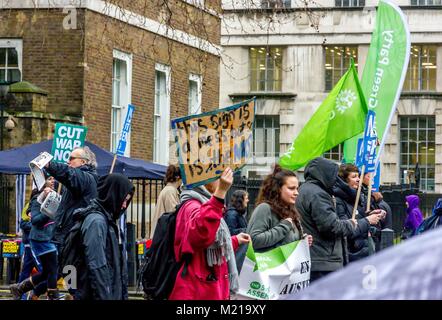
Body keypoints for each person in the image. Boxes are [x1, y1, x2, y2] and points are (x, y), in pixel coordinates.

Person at [295, 157, 383, 282]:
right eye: (333, 174)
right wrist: (353, 223)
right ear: (324, 173)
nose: (335, 178)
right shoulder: (318, 194)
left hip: (316, 258)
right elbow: (331, 227)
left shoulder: (306, 189)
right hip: (323, 261)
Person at [169, 167, 251, 300]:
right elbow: (201, 235)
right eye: (217, 176)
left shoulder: (205, 202)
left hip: (208, 288)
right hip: (197, 291)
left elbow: (214, 240)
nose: (221, 180)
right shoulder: (191, 205)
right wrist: (221, 193)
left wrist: (234, 240)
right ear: (203, 180)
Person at [72, 173, 134, 300]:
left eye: (127, 201)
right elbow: (97, 266)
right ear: (113, 195)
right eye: (124, 200)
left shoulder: (108, 221)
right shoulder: (97, 222)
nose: (124, 205)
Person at [44, 147, 98, 264]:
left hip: (74, 239)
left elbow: (69, 174)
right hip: (67, 237)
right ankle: (31, 282)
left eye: (72, 158)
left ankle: (31, 282)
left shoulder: (86, 177)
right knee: (60, 274)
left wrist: (50, 165)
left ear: (83, 162)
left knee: (71, 277)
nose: (68, 161)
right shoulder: (80, 179)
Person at [10, 177, 61, 300]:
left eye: (53, 182)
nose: (52, 184)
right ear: (42, 187)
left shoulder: (55, 197)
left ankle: (20, 288)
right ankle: (49, 296)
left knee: (48, 271)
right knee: (53, 270)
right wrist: (50, 210)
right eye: (49, 181)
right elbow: (36, 220)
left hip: (50, 239)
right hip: (40, 239)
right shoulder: (36, 200)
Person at [247, 165, 313, 254]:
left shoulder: (291, 210)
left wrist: (302, 240)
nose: (296, 193)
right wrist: (284, 227)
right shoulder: (265, 208)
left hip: (287, 267)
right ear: (277, 189)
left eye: (297, 188)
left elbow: (284, 243)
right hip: (268, 266)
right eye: (291, 188)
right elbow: (253, 240)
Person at [333, 164, 383, 263]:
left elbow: (360, 219)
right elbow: (346, 228)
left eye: (358, 176)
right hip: (352, 253)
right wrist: (368, 220)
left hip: (363, 250)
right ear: (344, 180)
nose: (358, 179)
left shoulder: (358, 196)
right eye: (354, 177)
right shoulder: (338, 200)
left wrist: (371, 215)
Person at [150, 165, 181, 237]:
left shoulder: (169, 189)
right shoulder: (170, 191)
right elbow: (173, 214)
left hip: (160, 235)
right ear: (178, 177)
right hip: (162, 237)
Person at [225, 190, 249, 273]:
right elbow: (230, 232)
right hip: (235, 250)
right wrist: (246, 230)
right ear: (240, 200)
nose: (248, 200)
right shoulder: (232, 214)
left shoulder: (237, 213)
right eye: (246, 198)